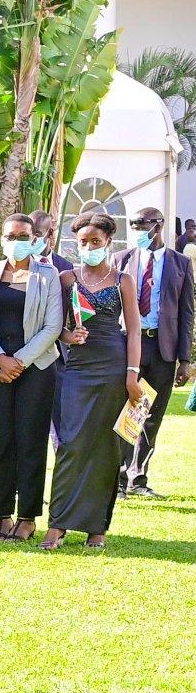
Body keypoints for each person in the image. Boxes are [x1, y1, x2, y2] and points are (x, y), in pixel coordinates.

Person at [43, 212, 146, 550]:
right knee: (70, 443)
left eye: (95, 242)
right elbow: (54, 325)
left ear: (108, 244)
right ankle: (57, 525)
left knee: (106, 450)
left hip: (114, 367)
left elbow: (133, 332)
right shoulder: (66, 278)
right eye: (83, 242)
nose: (88, 247)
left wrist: (133, 374)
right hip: (77, 369)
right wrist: (69, 337)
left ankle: (96, 528)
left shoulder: (123, 280)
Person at [0, 214, 64, 542]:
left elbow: (53, 327)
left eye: (24, 236)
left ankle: (27, 517)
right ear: (2, 240)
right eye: (11, 236)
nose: (17, 241)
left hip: (37, 369)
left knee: (30, 441)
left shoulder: (48, 274)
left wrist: (19, 362)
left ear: (34, 238)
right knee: (0, 440)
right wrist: (0, 358)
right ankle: (1, 515)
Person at [113, 206, 193, 497]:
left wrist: (185, 360)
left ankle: (138, 478)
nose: (135, 230)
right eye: (132, 225)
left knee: (151, 414)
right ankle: (118, 479)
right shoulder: (122, 259)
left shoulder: (181, 263)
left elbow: (186, 313)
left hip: (163, 347)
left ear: (157, 226)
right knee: (128, 409)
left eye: (140, 224)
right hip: (128, 345)